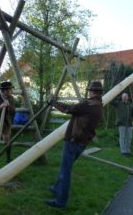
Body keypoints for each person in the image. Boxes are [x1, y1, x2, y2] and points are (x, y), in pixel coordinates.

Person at [44, 81, 103, 209]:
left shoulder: (88, 104)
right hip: (82, 143)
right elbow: (77, 109)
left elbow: (68, 109)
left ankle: (60, 202)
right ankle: (56, 188)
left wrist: (53, 102)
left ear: (91, 91)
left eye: (89, 90)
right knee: (66, 168)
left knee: (65, 172)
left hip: (74, 141)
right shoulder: (99, 104)